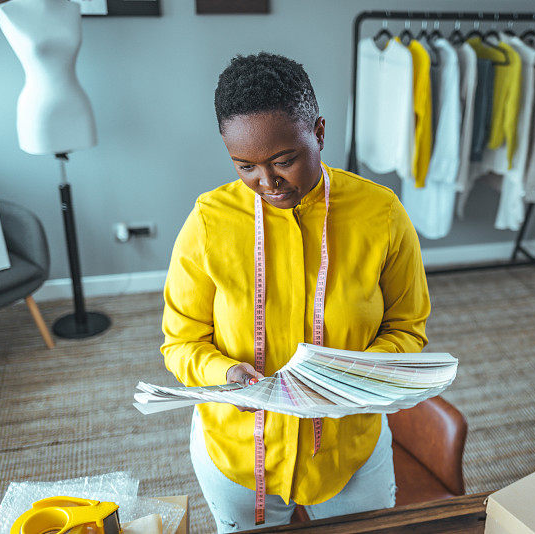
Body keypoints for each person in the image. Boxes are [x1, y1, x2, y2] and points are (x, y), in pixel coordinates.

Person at [160, 52, 431, 532]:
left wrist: (351, 375)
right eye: (245, 166)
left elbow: (408, 329)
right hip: (239, 455)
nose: (267, 183)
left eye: (284, 160)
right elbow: (180, 343)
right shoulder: (208, 222)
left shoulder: (381, 214)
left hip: (347, 453)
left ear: (319, 132)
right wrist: (223, 373)